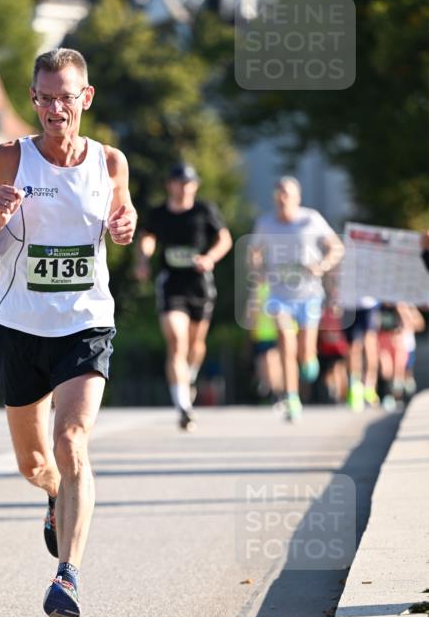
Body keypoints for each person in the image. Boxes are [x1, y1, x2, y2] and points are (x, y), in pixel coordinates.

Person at [0, 48, 136, 617]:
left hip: (85, 323)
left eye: (65, 97)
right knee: (35, 463)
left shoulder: (109, 162)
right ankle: (54, 494)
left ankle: (67, 576)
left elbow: (124, 219)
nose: (55, 109)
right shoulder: (10, 158)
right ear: (33, 99)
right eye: (44, 98)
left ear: (86, 98)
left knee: (72, 439)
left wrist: (126, 226)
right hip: (20, 327)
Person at [134, 163, 232, 430]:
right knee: (177, 341)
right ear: (170, 185)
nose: (184, 188)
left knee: (195, 343)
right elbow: (147, 238)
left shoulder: (205, 210)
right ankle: (183, 406)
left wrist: (210, 258)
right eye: (180, 183)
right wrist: (143, 260)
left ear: (195, 186)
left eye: (189, 183)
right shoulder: (159, 213)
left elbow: (224, 239)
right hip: (171, 284)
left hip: (199, 284)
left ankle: (189, 377)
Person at [249, 177, 344, 422]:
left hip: (308, 295)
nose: (283, 199)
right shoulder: (265, 223)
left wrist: (322, 265)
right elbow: (253, 252)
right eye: (279, 194)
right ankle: (291, 397)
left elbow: (336, 248)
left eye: (287, 194)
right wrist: (259, 272)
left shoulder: (311, 219)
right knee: (285, 339)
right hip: (279, 295)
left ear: (297, 198)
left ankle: (309, 359)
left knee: (305, 354)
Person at [344, 297, 380, 412]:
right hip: (350, 305)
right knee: (354, 348)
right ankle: (355, 386)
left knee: (369, 345)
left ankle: (369, 386)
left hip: (369, 304)